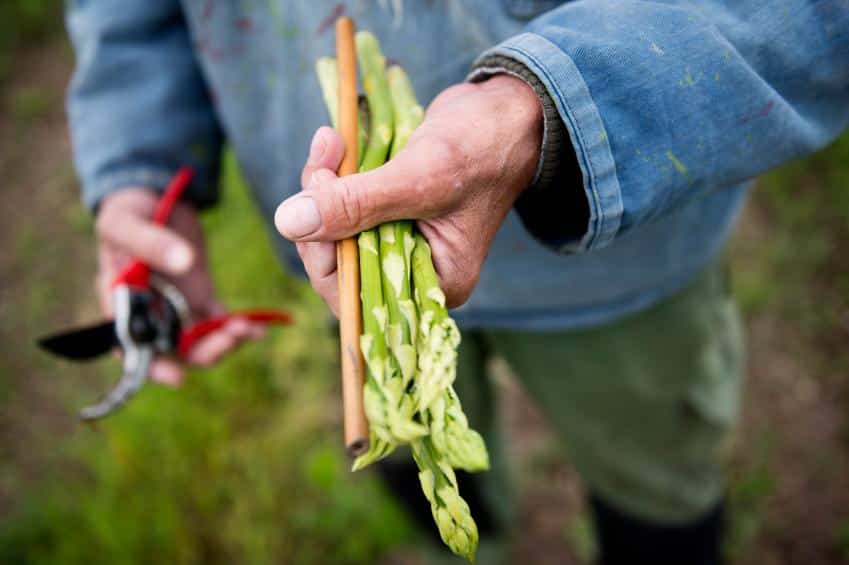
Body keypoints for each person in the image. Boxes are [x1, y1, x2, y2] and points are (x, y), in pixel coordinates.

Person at [65, 1, 849, 563]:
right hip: (349, 263)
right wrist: (138, 160)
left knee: (656, 484)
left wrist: (543, 105)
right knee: (411, 449)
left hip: (624, 236)